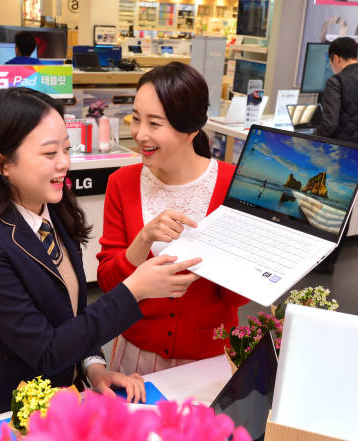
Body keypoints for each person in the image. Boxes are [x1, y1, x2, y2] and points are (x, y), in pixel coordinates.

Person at [0, 87, 201, 423]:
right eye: (50, 154)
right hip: (5, 414)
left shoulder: (53, 209)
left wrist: (94, 367)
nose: (65, 163)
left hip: (63, 403)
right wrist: (135, 289)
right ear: (1, 164)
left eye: (66, 149)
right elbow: (46, 351)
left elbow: (70, 315)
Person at [96, 62, 249, 376]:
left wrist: (232, 252)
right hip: (135, 361)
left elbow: (237, 298)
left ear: (190, 130)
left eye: (155, 123)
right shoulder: (121, 183)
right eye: (136, 119)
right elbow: (110, 284)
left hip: (210, 361)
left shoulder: (233, 186)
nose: (139, 134)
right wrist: (144, 238)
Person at [315, 36, 358, 274]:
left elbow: (330, 124)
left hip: (339, 153)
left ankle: (320, 260)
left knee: (328, 204)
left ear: (335, 58)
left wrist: (315, 135)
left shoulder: (336, 82)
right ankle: (331, 261)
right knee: (347, 205)